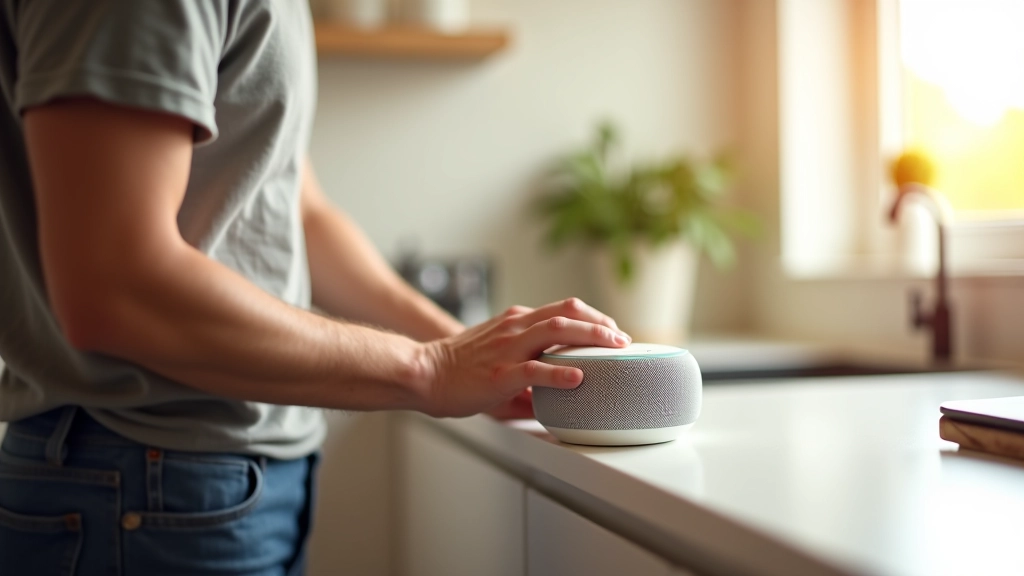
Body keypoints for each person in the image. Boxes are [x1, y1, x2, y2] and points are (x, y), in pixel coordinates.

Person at [0, 1, 629, 575]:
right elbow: (115, 281)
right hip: (142, 483)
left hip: (221, 485)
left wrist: (460, 346)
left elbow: (295, 209)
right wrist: (430, 368)